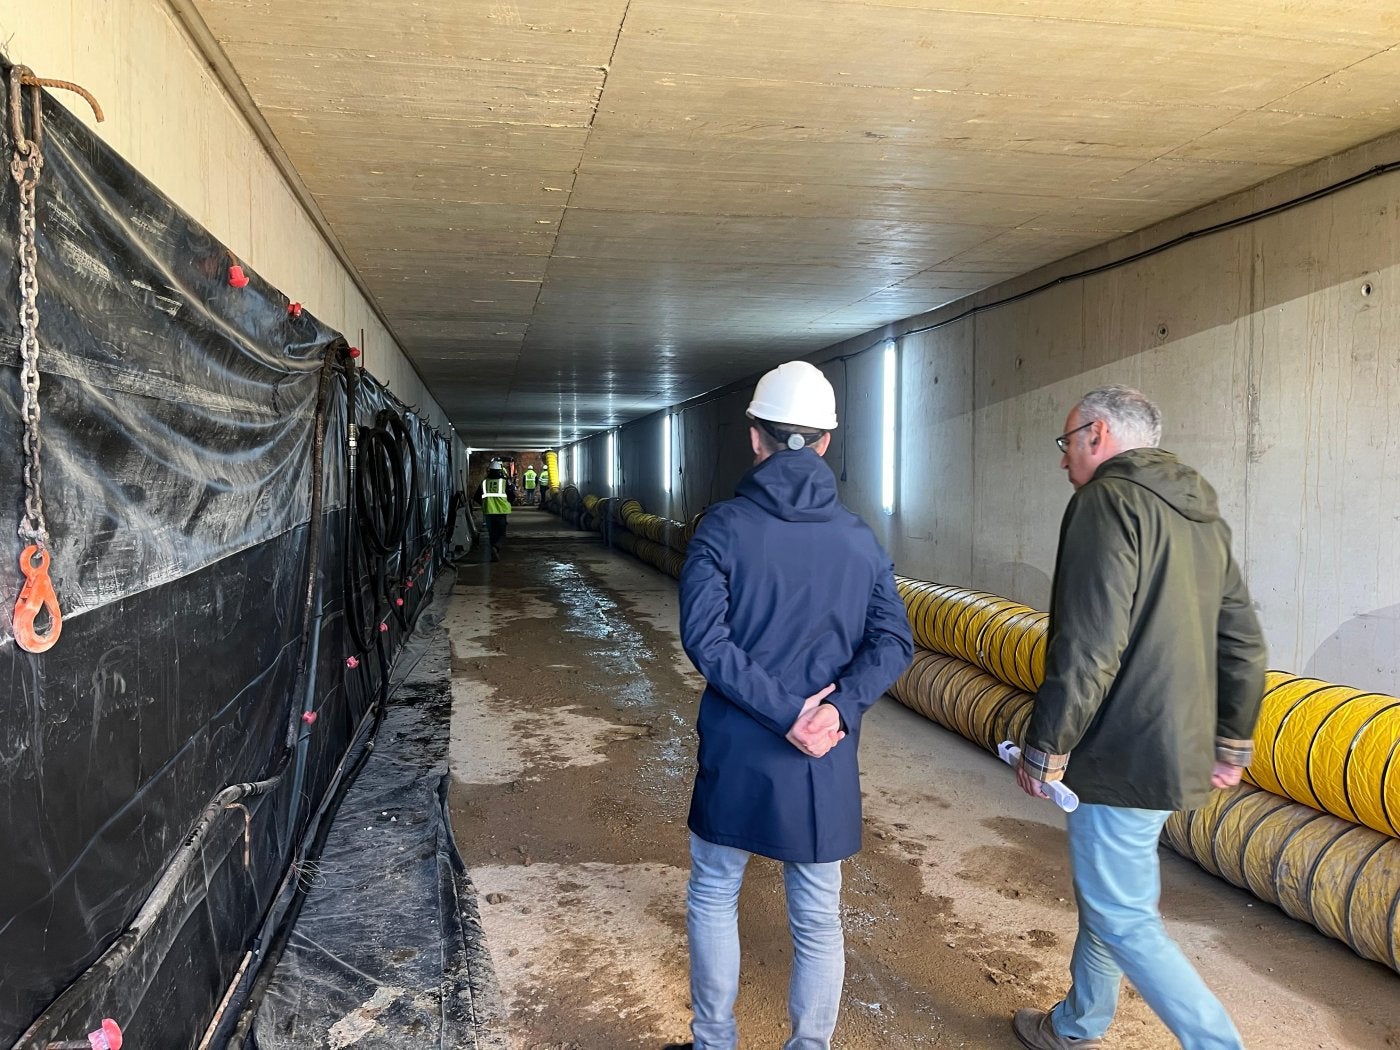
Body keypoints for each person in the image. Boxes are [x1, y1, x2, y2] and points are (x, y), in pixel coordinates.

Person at [668, 360, 913, 1050]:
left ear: (755, 437)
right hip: (823, 759)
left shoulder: (721, 528)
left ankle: (714, 1042)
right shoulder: (858, 540)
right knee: (816, 914)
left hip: (740, 747)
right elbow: (895, 640)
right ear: (828, 442)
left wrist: (782, 712)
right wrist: (834, 713)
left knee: (715, 892)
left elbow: (705, 639)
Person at [1012, 386, 1266, 1050]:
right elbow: (1241, 638)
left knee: (1123, 914)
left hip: (1120, 747)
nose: (1064, 459)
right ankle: (1078, 1023)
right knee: (1109, 891)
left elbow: (1092, 642)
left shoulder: (1106, 502)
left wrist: (1048, 746)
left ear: (1097, 435)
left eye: (1067, 442)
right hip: (1175, 746)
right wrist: (1230, 743)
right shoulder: (1201, 514)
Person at [475, 458, 511, 560]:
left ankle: (492, 547)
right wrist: (507, 503)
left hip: (489, 511)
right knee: (501, 532)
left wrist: (484, 504)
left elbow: (476, 496)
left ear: (489, 470)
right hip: (501, 511)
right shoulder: (504, 482)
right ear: (500, 471)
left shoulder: (484, 482)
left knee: (491, 532)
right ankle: (496, 547)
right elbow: (512, 495)